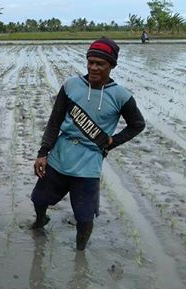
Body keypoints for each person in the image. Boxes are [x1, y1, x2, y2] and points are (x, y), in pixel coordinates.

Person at [30, 37, 146, 250]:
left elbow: (137, 125)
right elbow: (54, 122)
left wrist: (112, 142)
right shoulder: (71, 86)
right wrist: (43, 152)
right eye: (90, 62)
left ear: (111, 65)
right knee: (39, 198)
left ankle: (80, 250)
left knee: (84, 216)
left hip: (89, 161)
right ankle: (40, 221)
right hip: (60, 154)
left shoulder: (121, 96)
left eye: (100, 64)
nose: (93, 67)